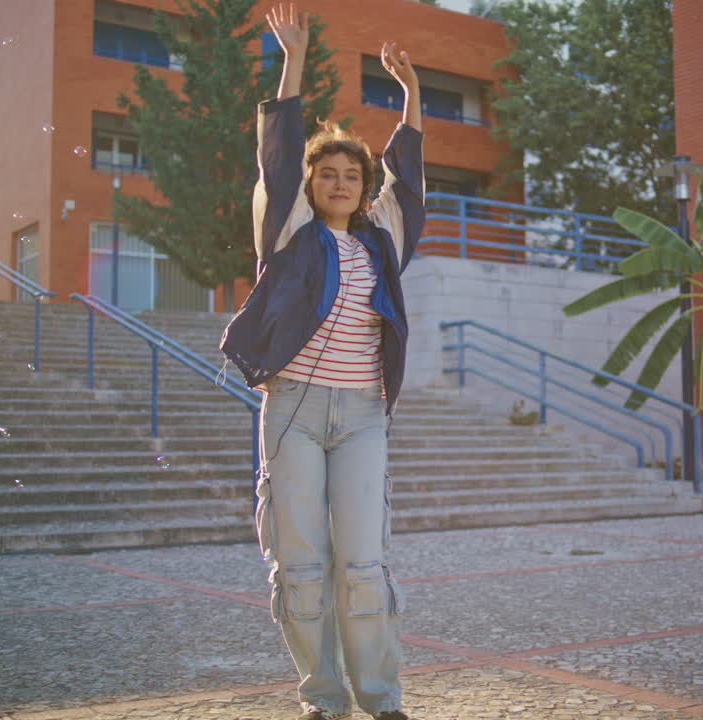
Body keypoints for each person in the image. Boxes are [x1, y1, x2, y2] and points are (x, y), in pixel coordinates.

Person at [219, 4, 424, 719]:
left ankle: (381, 698)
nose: (340, 182)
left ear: (365, 190)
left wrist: (410, 95)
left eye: (352, 176)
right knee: (302, 569)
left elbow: (411, 180)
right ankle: (323, 698)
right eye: (327, 173)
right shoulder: (289, 232)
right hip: (295, 411)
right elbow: (276, 158)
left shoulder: (382, 244)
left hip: (362, 413)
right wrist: (294, 61)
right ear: (312, 187)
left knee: (363, 565)